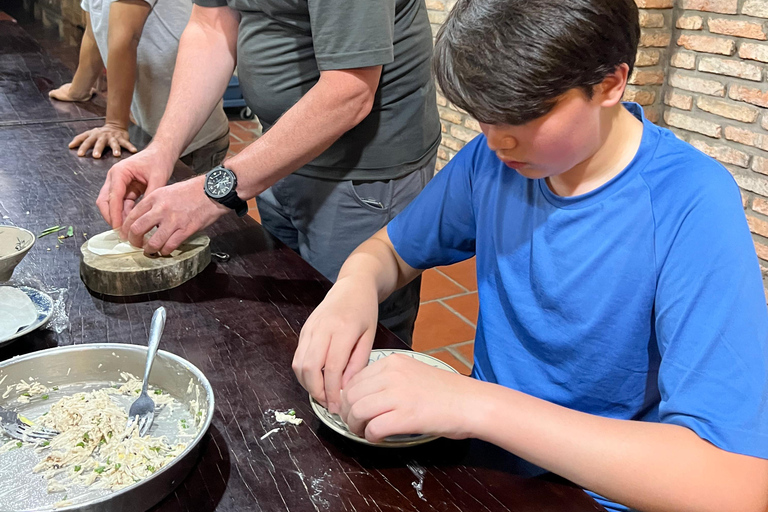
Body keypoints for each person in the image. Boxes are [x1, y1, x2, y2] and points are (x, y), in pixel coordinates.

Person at [291, 0, 768, 511]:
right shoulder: (493, 162)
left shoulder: (689, 201)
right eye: (483, 118)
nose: (498, 141)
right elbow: (389, 249)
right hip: (481, 460)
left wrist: (474, 404)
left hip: (594, 490)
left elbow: (735, 484)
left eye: (525, 115)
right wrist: (352, 289)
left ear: (610, 83)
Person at [94, 0, 440, 345]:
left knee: (352, 336)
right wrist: (162, 149)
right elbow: (211, 25)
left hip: (363, 175)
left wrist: (215, 190)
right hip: (280, 149)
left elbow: (349, 90)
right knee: (288, 317)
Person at [49, 0, 230, 173]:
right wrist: (78, 90)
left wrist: (115, 125)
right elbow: (93, 33)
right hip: (158, 133)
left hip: (191, 136)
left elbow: (125, 37)